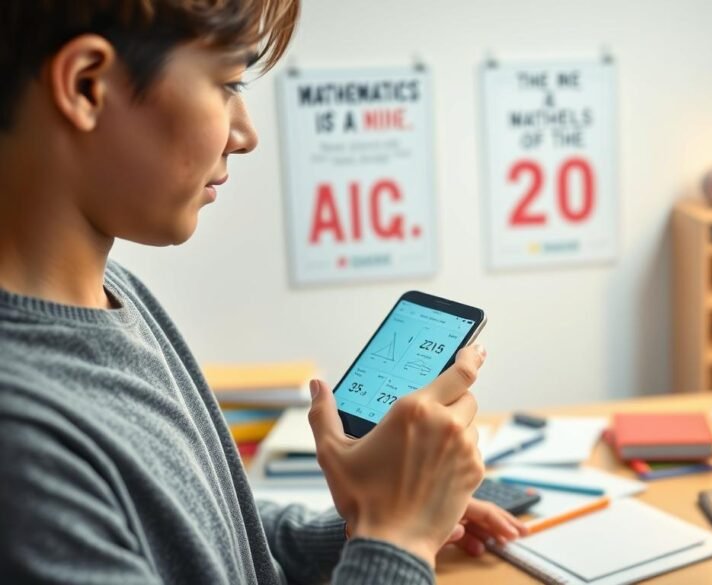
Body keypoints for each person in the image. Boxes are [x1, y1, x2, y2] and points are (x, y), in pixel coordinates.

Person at [0, 1, 525, 583]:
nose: (246, 135)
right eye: (228, 84)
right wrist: (396, 541)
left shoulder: (116, 293)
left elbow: (201, 532)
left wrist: (368, 522)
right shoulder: (22, 447)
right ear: (86, 84)